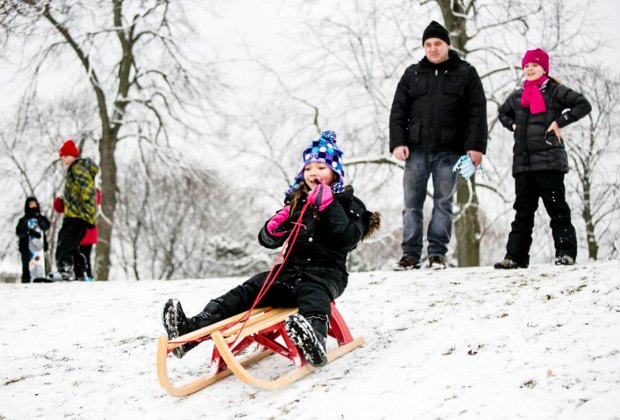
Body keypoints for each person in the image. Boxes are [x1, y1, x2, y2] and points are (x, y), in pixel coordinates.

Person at [162, 130, 380, 367]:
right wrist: (272, 229)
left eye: (321, 168)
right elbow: (268, 242)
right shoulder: (298, 202)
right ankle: (190, 332)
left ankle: (314, 341)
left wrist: (329, 206)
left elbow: (348, 238)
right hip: (287, 274)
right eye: (308, 168)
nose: (313, 173)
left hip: (326, 274)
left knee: (314, 296)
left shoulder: (349, 204)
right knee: (248, 290)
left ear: (334, 172)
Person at [389, 20, 488, 270]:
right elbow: (398, 110)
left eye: (438, 43)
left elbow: (477, 111)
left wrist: (475, 147)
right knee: (412, 204)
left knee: (444, 202)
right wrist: (398, 141)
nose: (433, 48)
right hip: (416, 150)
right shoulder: (412, 74)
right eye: (428, 44)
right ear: (424, 47)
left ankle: (437, 254)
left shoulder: (466, 73)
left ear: (447, 44)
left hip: (450, 151)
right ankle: (410, 255)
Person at [494, 49, 591, 269]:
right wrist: (513, 125)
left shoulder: (555, 91)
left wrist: (559, 122)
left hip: (549, 161)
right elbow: (502, 113)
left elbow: (583, 104)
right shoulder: (518, 96)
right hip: (523, 164)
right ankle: (515, 257)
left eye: (534, 66)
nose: (530, 69)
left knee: (557, 209)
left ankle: (565, 253)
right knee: (522, 213)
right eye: (527, 66)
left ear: (544, 68)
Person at [49, 139, 99, 281]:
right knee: (72, 244)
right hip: (74, 214)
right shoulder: (75, 170)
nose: (63, 160)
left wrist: (89, 215)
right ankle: (79, 271)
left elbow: (88, 191)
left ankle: (66, 270)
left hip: (78, 216)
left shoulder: (78, 169)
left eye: (65, 157)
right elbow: (75, 194)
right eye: (62, 158)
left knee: (64, 242)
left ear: (72, 155)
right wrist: (63, 202)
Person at [53, 188, 101, 281]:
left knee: (84, 256)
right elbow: (58, 207)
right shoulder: (71, 192)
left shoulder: (90, 190)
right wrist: (63, 198)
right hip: (72, 229)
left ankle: (87, 276)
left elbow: (94, 202)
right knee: (72, 253)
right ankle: (75, 274)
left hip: (86, 232)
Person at [15, 197, 51, 283]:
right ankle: (27, 283)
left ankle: (41, 280)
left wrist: (39, 219)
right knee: (27, 269)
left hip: (40, 250)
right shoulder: (23, 220)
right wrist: (28, 232)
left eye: (34, 204)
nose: (33, 206)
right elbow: (19, 232)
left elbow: (46, 226)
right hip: (26, 249)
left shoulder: (41, 218)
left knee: (41, 266)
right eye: (31, 204)